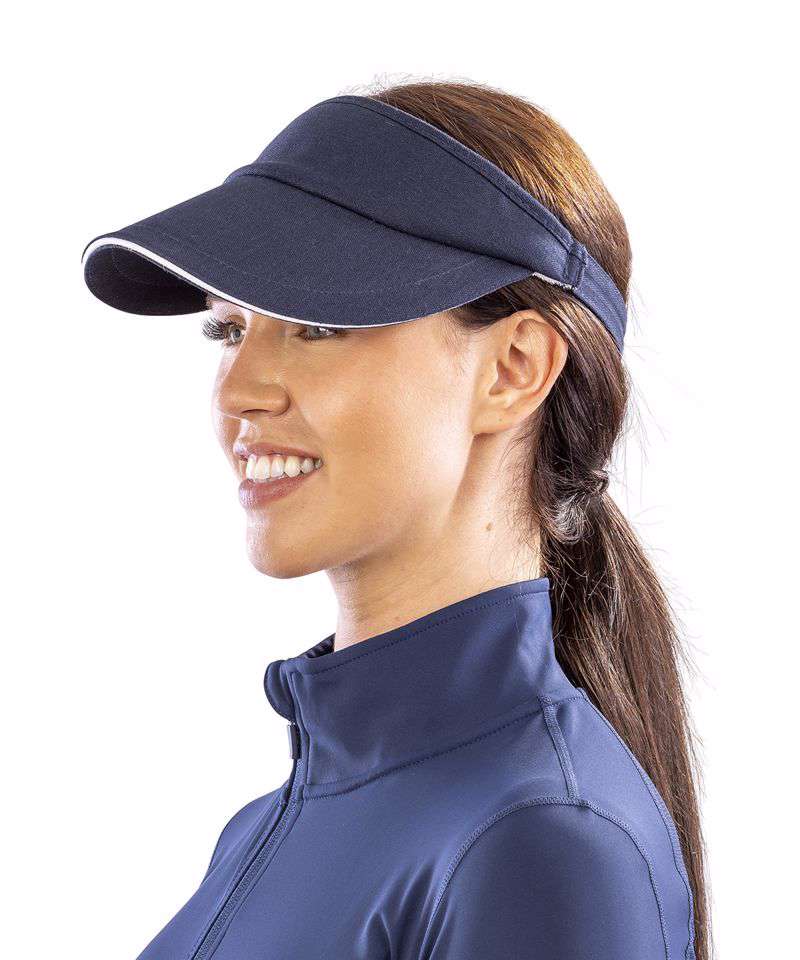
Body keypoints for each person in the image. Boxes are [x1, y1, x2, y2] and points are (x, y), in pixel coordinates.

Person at [81, 80, 710, 959]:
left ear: (514, 369)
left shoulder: (542, 842)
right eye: (228, 331)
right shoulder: (269, 829)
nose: (238, 392)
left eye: (315, 325)